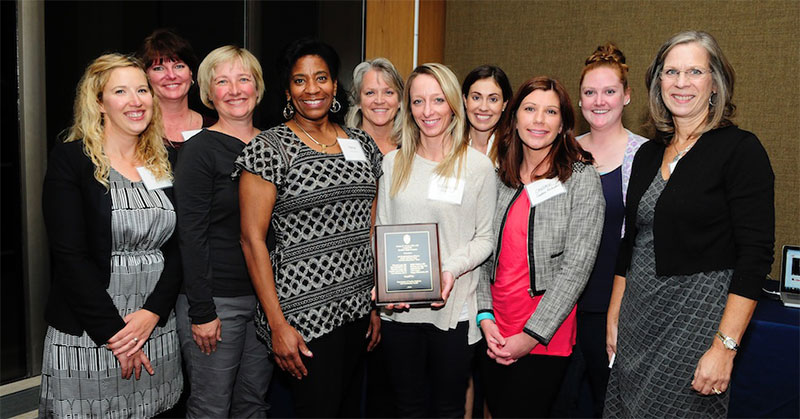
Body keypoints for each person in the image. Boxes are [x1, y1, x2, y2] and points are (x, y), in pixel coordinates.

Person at [604, 31, 775, 418]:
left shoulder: (740, 150)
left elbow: (755, 258)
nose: (681, 83)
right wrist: (615, 314)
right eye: (671, 72)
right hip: (638, 317)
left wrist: (724, 348)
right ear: (657, 81)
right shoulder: (648, 154)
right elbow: (630, 242)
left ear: (715, 83)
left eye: (695, 71)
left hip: (696, 322)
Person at [233, 38, 381, 418]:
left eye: (321, 78)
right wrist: (278, 324)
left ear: (335, 85)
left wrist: (374, 305)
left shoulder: (362, 143)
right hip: (304, 314)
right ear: (287, 90)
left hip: (357, 308)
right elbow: (252, 241)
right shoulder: (269, 148)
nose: (312, 89)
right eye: (300, 81)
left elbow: (368, 227)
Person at [39, 53, 182, 418]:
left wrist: (152, 312)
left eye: (141, 90)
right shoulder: (72, 160)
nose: (136, 101)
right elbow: (70, 256)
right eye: (121, 91)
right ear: (99, 102)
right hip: (92, 332)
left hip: (155, 329)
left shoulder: (164, 161)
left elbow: (179, 246)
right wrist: (117, 336)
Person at [476, 76, 604, 418]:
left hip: (544, 335)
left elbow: (578, 265)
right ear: (514, 117)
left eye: (550, 112)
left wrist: (531, 336)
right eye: (530, 109)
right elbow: (483, 253)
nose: (538, 120)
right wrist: (485, 317)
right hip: (493, 330)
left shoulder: (581, 177)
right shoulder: (500, 175)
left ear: (562, 122)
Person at [377, 63, 497, 418]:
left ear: (452, 105)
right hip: (399, 310)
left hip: (455, 306)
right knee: (407, 407)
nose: (428, 112)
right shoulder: (392, 162)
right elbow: (381, 229)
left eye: (437, 100)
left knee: (449, 408)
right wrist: (383, 282)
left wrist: (448, 269)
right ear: (408, 108)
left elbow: (485, 237)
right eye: (418, 102)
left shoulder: (477, 167)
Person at [173, 45, 272, 418]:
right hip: (217, 303)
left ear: (257, 87)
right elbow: (191, 235)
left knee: (253, 404)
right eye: (222, 81)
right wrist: (202, 311)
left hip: (265, 300)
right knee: (211, 408)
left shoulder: (275, 144)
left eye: (243, 79)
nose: (234, 89)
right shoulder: (198, 150)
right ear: (209, 93)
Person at [559, 42, 648, 417]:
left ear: (626, 96)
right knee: (555, 405)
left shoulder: (646, 157)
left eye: (609, 91)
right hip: (560, 307)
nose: (599, 100)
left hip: (617, 310)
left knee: (610, 406)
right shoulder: (561, 152)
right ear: (578, 101)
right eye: (590, 92)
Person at [137, 28, 215, 149]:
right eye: (159, 68)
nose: (171, 75)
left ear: (190, 72)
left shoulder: (214, 130)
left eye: (179, 66)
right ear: (146, 76)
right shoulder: (136, 130)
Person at [345, 57, 404, 154]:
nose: (379, 101)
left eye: (388, 92)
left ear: (400, 100)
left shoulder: (414, 146)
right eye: (370, 93)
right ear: (358, 101)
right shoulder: (344, 145)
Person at [461, 65, 513, 157]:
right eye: (476, 98)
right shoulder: (446, 145)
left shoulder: (514, 150)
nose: (483, 108)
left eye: (493, 99)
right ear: (465, 100)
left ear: (504, 104)